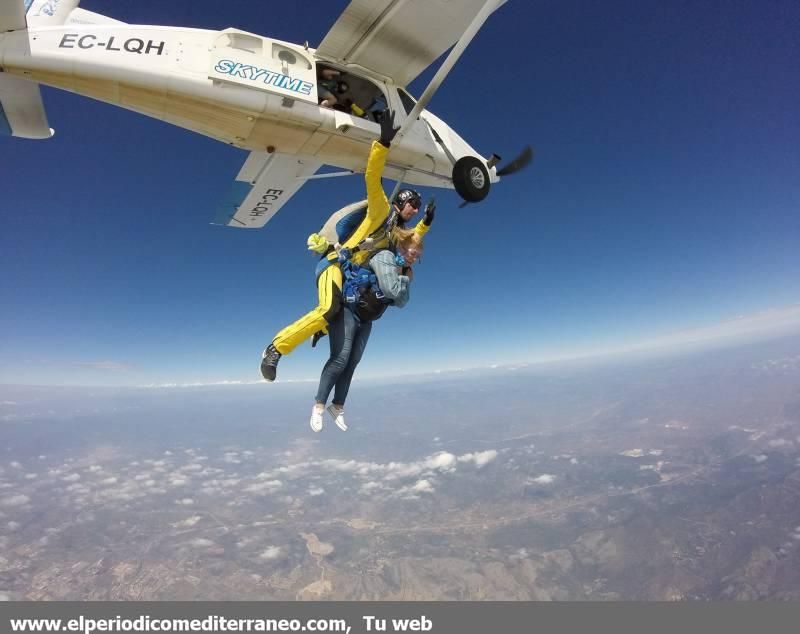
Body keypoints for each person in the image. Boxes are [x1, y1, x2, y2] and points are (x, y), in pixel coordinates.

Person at [260, 110, 433, 382]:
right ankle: (275, 349)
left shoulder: (393, 235)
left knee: (350, 309)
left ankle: (322, 328)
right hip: (333, 264)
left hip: (349, 275)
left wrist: (426, 222)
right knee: (330, 309)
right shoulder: (381, 209)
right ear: (401, 201)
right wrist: (383, 143)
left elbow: (411, 237)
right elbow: (372, 178)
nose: (415, 210)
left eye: (418, 207)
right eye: (413, 204)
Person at [309, 226, 425, 432]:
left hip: (367, 317)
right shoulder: (385, 257)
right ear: (402, 248)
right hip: (349, 309)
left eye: (418, 257)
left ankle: (337, 407)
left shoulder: (405, 269)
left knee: (352, 362)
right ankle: (318, 407)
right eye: (413, 253)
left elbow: (400, 301)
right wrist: (403, 280)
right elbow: (393, 291)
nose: (414, 259)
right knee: (340, 358)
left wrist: (403, 278)